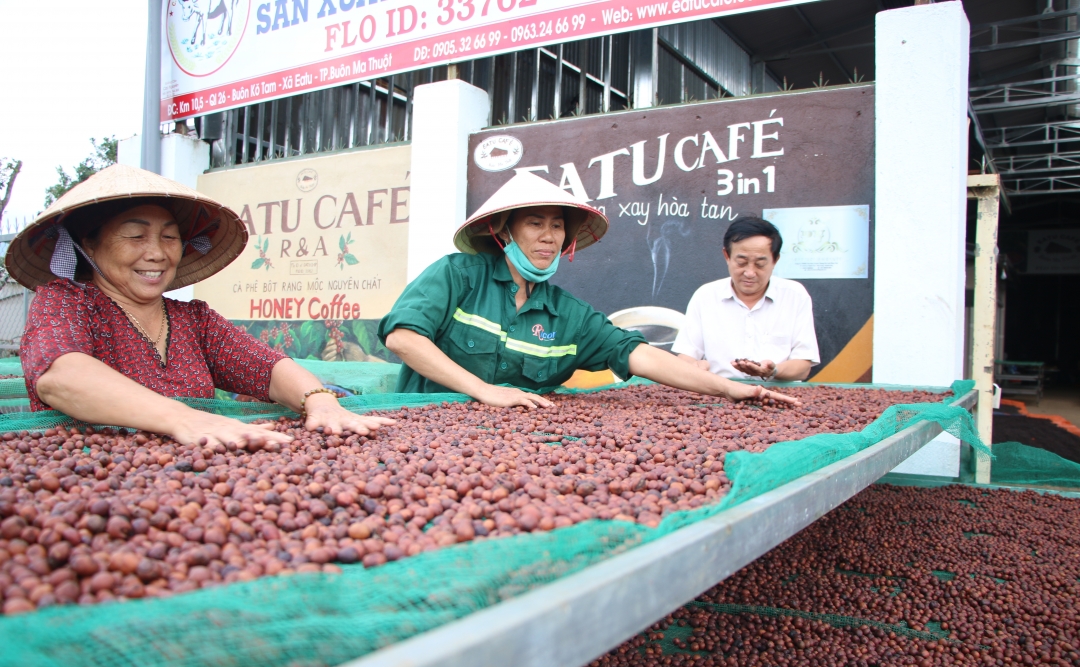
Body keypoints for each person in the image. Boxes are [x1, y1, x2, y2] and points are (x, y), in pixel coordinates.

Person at [7, 165, 393, 449]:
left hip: (200, 471)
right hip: (92, 475)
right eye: (136, 235)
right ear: (88, 245)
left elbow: (267, 366)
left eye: (170, 237)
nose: (156, 253)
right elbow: (62, 378)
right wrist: (181, 419)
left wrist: (320, 401)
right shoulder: (66, 302)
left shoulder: (192, 320)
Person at [378, 173, 799, 408]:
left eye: (557, 225)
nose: (548, 237)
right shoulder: (458, 275)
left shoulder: (568, 316)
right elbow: (403, 336)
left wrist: (730, 388)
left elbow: (639, 354)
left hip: (507, 452)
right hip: (423, 429)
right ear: (503, 229)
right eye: (535, 223)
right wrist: (485, 391)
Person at [672, 216, 820, 381]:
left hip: (777, 394)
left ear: (775, 260)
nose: (750, 272)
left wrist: (773, 370)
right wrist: (695, 367)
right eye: (741, 262)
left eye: (760, 264)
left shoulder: (795, 295)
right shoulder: (705, 296)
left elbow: (802, 366)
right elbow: (686, 356)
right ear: (727, 256)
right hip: (720, 394)